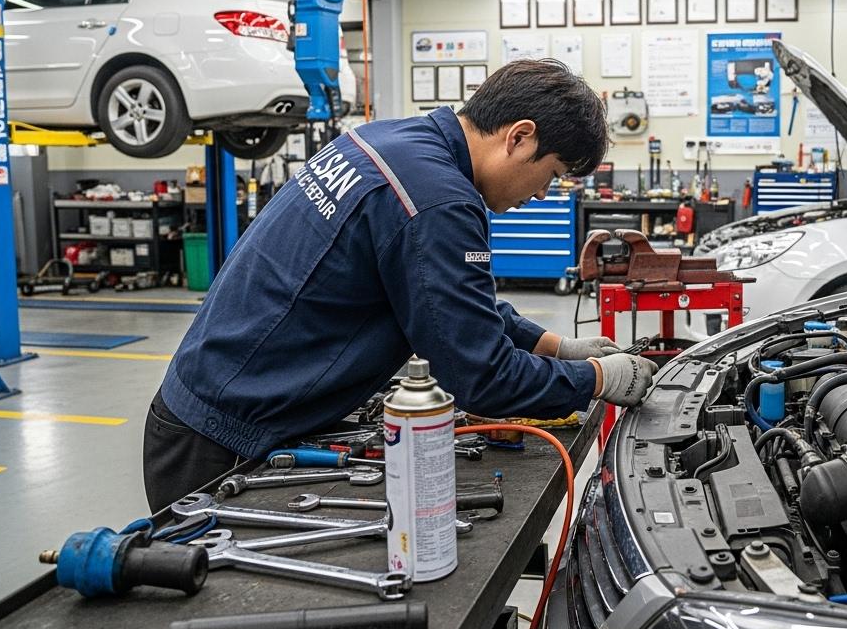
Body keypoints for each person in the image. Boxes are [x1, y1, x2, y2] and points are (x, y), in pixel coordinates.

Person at [142, 59, 658, 511]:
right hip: (221, 442)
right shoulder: (440, 201)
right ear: (519, 136)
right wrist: (595, 379)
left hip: (202, 407)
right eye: (552, 173)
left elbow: (436, 299)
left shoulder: (391, 140)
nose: (544, 194)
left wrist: (555, 346)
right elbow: (482, 377)